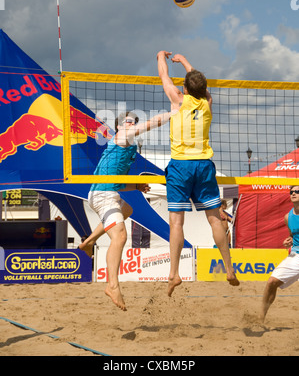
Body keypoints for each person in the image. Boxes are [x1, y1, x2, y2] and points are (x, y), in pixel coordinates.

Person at [157, 50, 239, 297]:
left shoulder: (178, 100)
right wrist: (185, 62)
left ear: (184, 88)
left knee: (176, 222)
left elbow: (163, 74)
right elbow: (200, 86)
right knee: (215, 218)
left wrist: (161, 56)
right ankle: (229, 268)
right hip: (203, 164)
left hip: (181, 165)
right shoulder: (207, 104)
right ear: (204, 90)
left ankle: (174, 273)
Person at [79, 110, 172, 311]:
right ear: (119, 126)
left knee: (127, 209)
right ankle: (112, 286)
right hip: (103, 194)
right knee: (120, 237)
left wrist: (136, 186)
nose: (131, 124)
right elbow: (152, 123)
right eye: (128, 122)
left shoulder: (127, 146)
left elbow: (118, 183)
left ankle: (89, 241)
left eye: (133, 122)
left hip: (106, 191)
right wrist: (174, 111)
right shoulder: (121, 136)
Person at [260, 186, 299, 322]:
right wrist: (289, 241)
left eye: (297, 191)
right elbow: (292, 236)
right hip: (296, 255)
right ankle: (260, 319)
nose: (293, 193)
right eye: (291, 192)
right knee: (271, 282)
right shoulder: (288, 217)